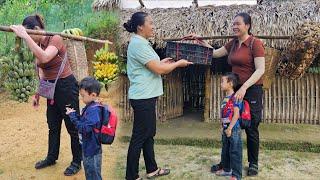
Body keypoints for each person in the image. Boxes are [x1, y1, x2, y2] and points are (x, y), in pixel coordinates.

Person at [187, 12, 265, 176]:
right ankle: (226, 163)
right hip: (235, 91)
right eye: (233, 24)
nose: (235, 26)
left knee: (251, 127)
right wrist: (201, 41)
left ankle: (253, 163)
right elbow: (214, 53)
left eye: (238, 23)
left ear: (247, 26)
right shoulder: (233, 43)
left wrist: (244, 87)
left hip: (251, 91)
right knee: (230, 126)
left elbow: (261, 70)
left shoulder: (255, 43)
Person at [123, 12, 193, 180]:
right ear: (141, 26)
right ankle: (131, 176)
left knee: (148, 134)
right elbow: (158, 70)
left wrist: (164, 62)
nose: (153, 26)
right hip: (142, 97)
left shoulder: (142, 43)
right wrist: (177, 64)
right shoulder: (138, 44)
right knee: (139, 136)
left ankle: (152, 169)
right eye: (150, 23)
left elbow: (152, 66)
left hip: (147, 96)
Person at [10, 14, 82, 176]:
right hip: (51, 88)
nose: (29, 38)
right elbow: (41, 69)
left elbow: (44, 57)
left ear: (36, 29)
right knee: (53, 125)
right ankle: (51, 157)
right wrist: (38, 93)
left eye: (30, 33)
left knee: (72, 126)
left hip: (66, 87)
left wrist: (24, 36)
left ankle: (77, 161)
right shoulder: (37, 44)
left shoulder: (55, 39)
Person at [66, 77, 103, 180]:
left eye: (83, 96)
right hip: (87, 148)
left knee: (93, 175)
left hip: (92, 150)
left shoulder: (93, 111)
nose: (81, 98)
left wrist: (73, 117)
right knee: (89, 173)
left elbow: (84, 128)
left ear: (93, 95)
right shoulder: (89, 107)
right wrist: (73, 114)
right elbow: (84, 122)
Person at [215, 72, 242, 180]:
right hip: (226, 128)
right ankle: (227, 169)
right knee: (225, 150)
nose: (221, 84)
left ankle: (236, 175)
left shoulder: (236, 97)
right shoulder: (225, 98)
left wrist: (230, 128)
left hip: (233, 128)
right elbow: (224, 113)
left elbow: (236, 114)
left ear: (230, 83)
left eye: (222, 81)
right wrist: (223, 126)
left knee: (235, 151)